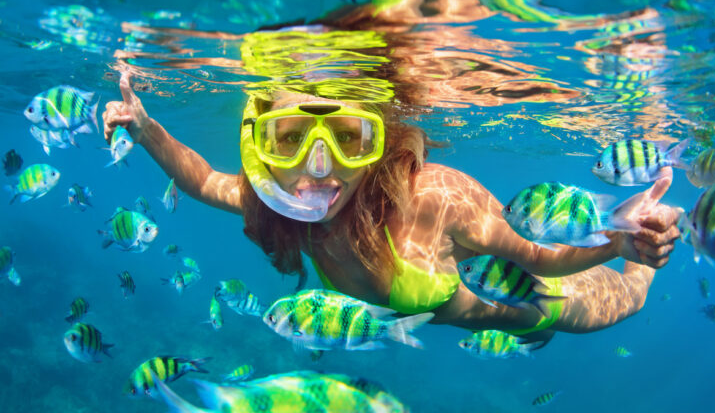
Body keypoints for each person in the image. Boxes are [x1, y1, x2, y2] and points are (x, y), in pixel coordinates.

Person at [103, 70, 680, 341]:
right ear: (261, 146)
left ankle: (645, 247)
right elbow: (204, 181)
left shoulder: (436, 198)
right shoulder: (281, 207)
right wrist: (146, 129)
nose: (316, 167)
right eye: (290, 139)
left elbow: (541, 256)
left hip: (544, 304)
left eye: (348, 138)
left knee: (627, 298)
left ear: (378, 143)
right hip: (484, 319)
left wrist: (619, 243)